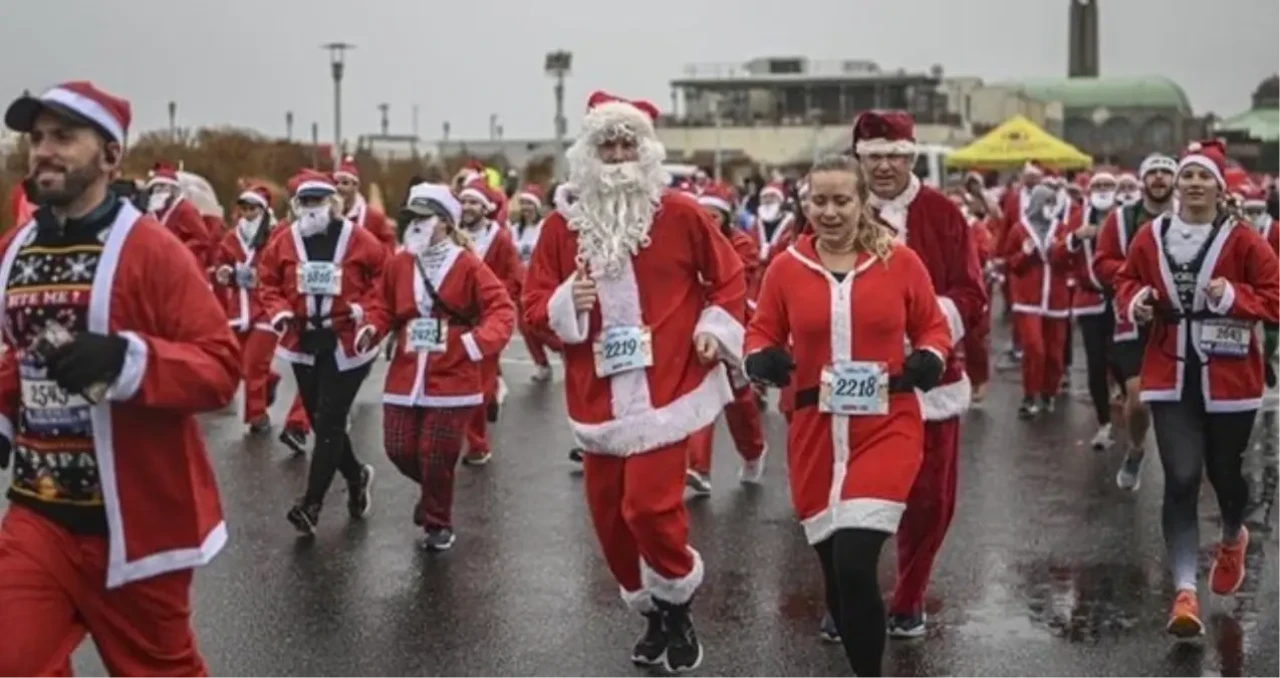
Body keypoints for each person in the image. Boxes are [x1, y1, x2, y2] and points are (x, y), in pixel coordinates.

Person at [0, 81, 239, 676]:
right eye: (36, 138)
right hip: (39, 516)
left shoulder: (154, 251)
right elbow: (15, 360)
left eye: (64, 137)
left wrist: (126, 361)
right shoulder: (13, 251)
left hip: (133, 523)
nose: (44, 151)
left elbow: (219, 368)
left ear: (110, 156)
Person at [522, 90, 746, 673]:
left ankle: (678, 603)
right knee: (610, 525)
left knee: (648, 509)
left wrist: (714, 331)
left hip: (667, 390)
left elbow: (727, 279)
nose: (618, 155)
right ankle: (652, 612)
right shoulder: (558, 228)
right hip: (597, 401)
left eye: (628, 143)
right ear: (587, 153)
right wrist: (566, 301)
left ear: (645, 149)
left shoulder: (682, 214)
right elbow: (531, 310)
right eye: (607, 144)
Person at [746, 155, 950, 677]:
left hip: (887, 423)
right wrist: (760, 358)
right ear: (804, 203)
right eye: (820, 201)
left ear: (863, 203)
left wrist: (932, 355)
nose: (830, 212)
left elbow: (932, 326)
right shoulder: (786, 268)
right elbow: (761, 332)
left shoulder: (900, 261)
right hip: (815, 431)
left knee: (856, 561)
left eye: (842, 200)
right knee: (836, 574)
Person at [1116, 139, 1280, 637]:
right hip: (1169, 371)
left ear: (1218, 185)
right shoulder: (1150, 235)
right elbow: (1126, 279)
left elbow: (1275, 299)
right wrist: (1137, 300)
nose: (1192, 184)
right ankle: (1185, 591)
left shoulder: (1244, 239)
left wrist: (1233, 296)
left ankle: (1233, 534)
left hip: (1230, 377)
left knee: (1225, 474)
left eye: (1202, 176)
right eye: (1186, 176)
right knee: (1182, 477)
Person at [854, 111, 987, 639]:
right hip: (852, 377)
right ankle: (849, 590)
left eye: (895, 155)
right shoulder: (838, 206)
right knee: (849, 495)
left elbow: (972, 294)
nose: (885, 166)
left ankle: (909, 596)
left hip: (929, 377)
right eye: (874, 157)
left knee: (929, 498)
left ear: (911, 157)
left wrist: (929, 331)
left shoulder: (942, 214)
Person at [371, 183, 515, 551]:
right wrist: (371, 328)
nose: (415, 224)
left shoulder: (468, 264)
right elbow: (383, 306)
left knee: (437, 454)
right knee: (398, 448)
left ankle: (438, 520)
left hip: (453, 376)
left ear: (446, 224)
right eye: (411, 217)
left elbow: (501, 308)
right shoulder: (400, 261)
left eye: (425, 217)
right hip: (406, 375)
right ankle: (433, 491)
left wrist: (474, 344)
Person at [258, 170, 386, 535]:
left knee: (329, 419)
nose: (313, 207)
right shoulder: (284, 241)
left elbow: (383, 281)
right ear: (297, 205)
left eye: (319, 200)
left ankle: (311, 505)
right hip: (304, 340)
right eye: (306, 201)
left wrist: (366, 314)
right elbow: (267, 281)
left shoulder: (360, 239)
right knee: (318, 420)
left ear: (334, 203)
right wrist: (280, 311)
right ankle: (357, 475)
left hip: (348, 343)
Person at [1095, 154, 1177, 489]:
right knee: (1139, 398)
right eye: (1153, 172)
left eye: (1166, 172)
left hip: (1175, 320)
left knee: (1178, 403)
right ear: (1143, 179)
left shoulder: (1190, 217)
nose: (1159, 178)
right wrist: (1140, 277)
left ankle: (1180, 467)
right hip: (1132, 316)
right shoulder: (1120, 219)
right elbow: (1102, 264)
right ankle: (1137, 448)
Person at [685, 182, 766, 495]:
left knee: (738, 402)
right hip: (697, 328)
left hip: (732, 327)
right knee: (699, 395)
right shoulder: (688, 242)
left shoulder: (742, 244)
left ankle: (753, 452)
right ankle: (699, 468)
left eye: (714, 217)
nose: (708, 222)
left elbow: (736, 282)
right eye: (702, 216)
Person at [1053, 170, 1121, 447]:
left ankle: (1128, 406)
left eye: (1108, 185)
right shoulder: (1078, 216)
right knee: (1095, 363)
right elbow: (1057, 256)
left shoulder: (1125, 216)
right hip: (1090, 300)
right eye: (1099, 185)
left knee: (1122, 361)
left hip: (1122, 301)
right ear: (1089, 190)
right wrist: (1076, 237)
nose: (1103, 189)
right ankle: (1104, 423)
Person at [457, 178, 522, 465]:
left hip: (489, 320)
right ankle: (490, 398)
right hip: (458, 320)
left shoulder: (501, 239)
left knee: (478, 385)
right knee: (460, 381)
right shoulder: (453, 235)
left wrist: (496, 301)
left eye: (474, 202)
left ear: (486, 208)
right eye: (464, 201)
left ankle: (477, 444)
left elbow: (513, 276)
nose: (468, 207)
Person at [213, 184, 280, 433]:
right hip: (238, 308)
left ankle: (257, 417)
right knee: (240, 365)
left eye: (253, 209)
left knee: (254, 365)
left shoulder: (276, 236)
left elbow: (282, 268)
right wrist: (226, 272)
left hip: (266, 307)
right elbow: (222, 264)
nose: (248, 213)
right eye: (244, 208)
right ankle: (269, 382)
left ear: (263, 210)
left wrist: (260, 276)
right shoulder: (231, 237)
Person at [1004, 184, 1071, 417]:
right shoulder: (1019, 230)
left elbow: (1068, 261)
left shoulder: (1062, 229)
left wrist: (1059, 251)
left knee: (1055, 353)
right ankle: (1030, 394)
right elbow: (1011, 264)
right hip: (1028, 299)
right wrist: (1025, 253)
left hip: (1056, 299)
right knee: (1035, 348)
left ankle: (1048, 393)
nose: (1049, 208)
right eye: (1045, 202)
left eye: (1052, 203)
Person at [508, 183, 560, 382]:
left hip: (541, 285)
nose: (526, 207)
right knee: (525, 327)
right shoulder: (514, 230)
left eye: (529, 203)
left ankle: (564, 352)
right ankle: (541, 364)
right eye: (523, 203)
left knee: (543, 326)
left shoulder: (545, 227)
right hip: (521, 287)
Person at [143, 161, 212, 266]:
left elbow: (203, 239)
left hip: (183, 266)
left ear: (173, 189)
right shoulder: (153, 212)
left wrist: (177, 251)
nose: (158, 191)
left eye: (162, 187)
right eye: (155, 188)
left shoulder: (186, 209)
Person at [334, 156, 398, 252]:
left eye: (345, 183)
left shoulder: (373, 218)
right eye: (335, 182)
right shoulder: (327, 215)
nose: (339, 187)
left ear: (356, 186)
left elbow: (389, 247)